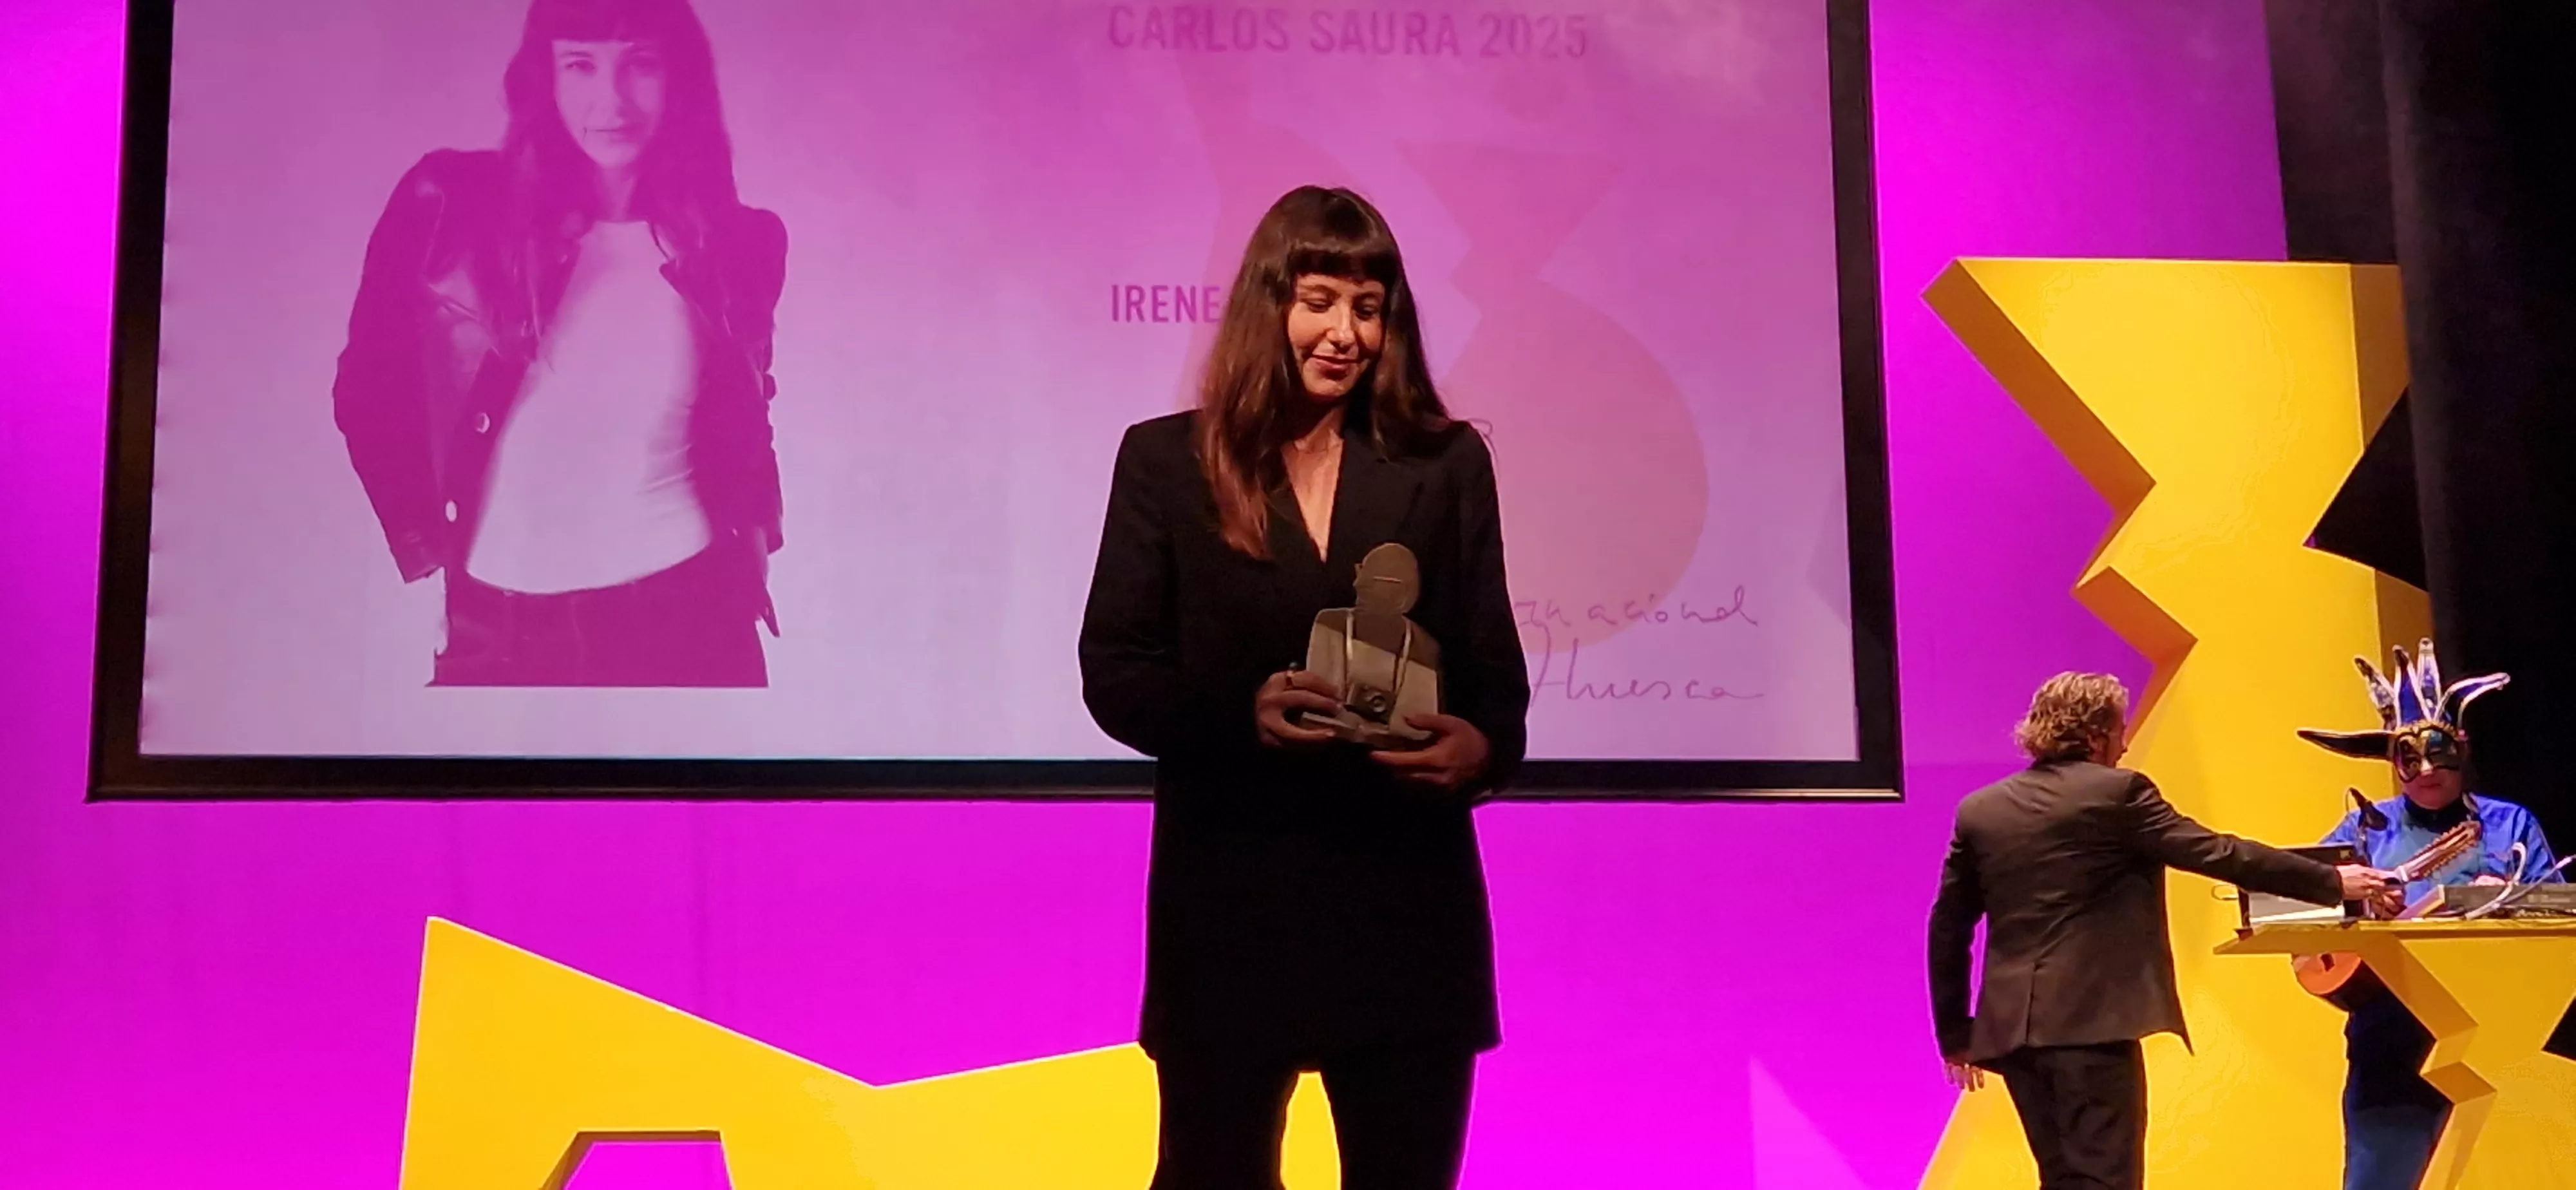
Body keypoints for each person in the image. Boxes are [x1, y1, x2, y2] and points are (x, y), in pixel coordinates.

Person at [1077, 185, 1530, 1190]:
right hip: (1233, 902)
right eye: (1320, 302)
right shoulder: (1168, 462)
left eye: (1368, 308)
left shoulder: (1446, 463)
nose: (1345, 334)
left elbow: (1496, 679)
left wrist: (1483, 749)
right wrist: (1240, 715)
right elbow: (1116, 672)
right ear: (1268, 304)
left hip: (1405, 905)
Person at [332, 0, 786, 687]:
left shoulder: (740, 241)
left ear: (679, 77)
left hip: (692, 617)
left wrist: (756, 541)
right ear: (544, 77)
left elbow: (749, 409)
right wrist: (426, 556)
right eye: (580, 65)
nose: (612, 100)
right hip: (499, 630)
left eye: (641, 64)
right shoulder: (448, 206)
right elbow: (369, 389)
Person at [1929, 672, 2395, 1190]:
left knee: (2061, 1179)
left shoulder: (1982, 810)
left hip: (2013, 1033)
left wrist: (1955, 1036)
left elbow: (1948, 926)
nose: (2125, 745)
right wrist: (2332, 881)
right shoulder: (2117, 794)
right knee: (2107, 1182)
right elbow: (2217, 853)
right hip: (2091, 1025)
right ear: (2095, 736)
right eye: (2119, 731)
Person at [2297, 641, 2563, 1190]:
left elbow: (2560, 916)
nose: (2426, 770)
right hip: (2391, 1032)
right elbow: (2301, 910)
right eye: (2409, 758)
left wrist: (2509, 900)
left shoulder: (2509, 824)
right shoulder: (2365, 830)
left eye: (2438, 752)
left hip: (2497, 1030)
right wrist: (2361, 903)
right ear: (2391, 762)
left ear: (2460, 747)